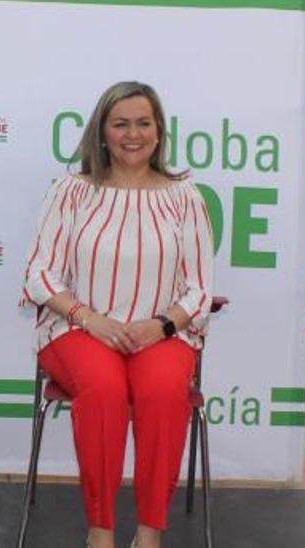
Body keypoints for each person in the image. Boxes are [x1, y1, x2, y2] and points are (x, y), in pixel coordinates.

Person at [21, 81, 216, 548]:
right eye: (121, 124)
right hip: (77, 328)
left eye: (143, 123)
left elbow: (200, 289)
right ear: (102, 132)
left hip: (161, 333)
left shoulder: (185, 196)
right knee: (105, 389)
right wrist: (91, 319)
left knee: (164, 390)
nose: (133, 134)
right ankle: (101, 531)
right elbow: (38, 274)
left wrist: (161, 325)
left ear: (159, 131)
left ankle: (150, 533)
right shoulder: (72, 191)